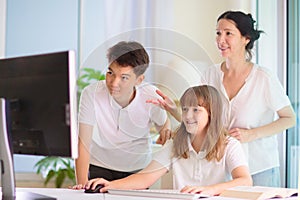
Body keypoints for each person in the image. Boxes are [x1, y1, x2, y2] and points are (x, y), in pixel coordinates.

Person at [147, 11, 296, 187]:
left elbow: (289, 119)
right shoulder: (210, 74)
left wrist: (251, 134)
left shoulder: (264, 78)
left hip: (259, 168)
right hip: (223, 168)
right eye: (218, 33)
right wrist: (174, 110)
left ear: (246, 38)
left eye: (228, 33)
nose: (220, 39)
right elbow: (200, 121)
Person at [84, 85, 252, 196]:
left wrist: (209, 190)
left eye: (196, 110)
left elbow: (245, 180)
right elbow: (144, 179)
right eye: (185, 109)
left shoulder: (229, 145)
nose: (188, 116)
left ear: (212, 114)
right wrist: (110, 184)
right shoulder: (176, 144)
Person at [73, 41, 171, 189]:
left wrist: (165, 134)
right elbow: (83, 144)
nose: (114, 83)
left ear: (139, 80)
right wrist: (81, 186)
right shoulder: (91, 93)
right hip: (99, 166)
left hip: (136, 172)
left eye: (124, 77)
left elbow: (164, 125)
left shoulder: (151, 95)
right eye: (110, 73)